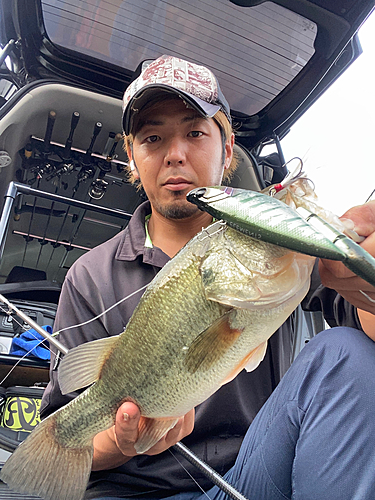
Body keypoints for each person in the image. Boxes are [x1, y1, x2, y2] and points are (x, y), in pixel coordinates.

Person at [40, 55, 375, 500]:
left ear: (228, 148)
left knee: (345, 352)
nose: (175, 154)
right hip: (131, 492)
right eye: (153, 137)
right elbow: (70, 437)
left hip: (248, 479)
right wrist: (122, 442)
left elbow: (362, 345)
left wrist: (359, 276)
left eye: (195, 132)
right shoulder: (89, 275)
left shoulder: (281, 248)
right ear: (132, 156)